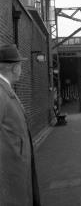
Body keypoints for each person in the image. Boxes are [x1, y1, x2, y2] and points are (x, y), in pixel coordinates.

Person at [0, 44, 40, 206]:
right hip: (9, 187)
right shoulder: (1, 93)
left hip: (15, 180)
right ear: (15, 68)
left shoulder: (6, 90)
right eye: (21, 65)